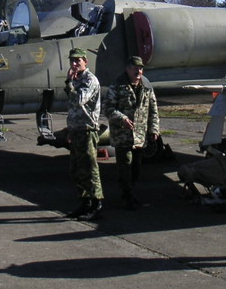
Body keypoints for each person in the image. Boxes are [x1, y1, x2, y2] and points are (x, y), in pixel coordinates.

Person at [104, 55, 160, 209]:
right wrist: (121, 118)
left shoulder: (146, 87)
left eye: (140, 68)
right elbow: (108, 108)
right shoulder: (117, 86)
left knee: (136, 167)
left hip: (139, 136)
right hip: (123, 136)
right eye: (135, 68)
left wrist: (154, 129)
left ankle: (131, 192)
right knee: (125, 167)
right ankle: (126, 195)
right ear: (127, 69)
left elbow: (153, 109)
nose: (138, 71)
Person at [64, 47, 104, 220]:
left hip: (87, 130)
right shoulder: (76, 79)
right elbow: (72, 107)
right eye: (72, 60)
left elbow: (79, 100)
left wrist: (70, 83)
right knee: (76, 170)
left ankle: (96, 204)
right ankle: (85, 202)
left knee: (89, 169)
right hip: (76, 130)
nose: (74, 64)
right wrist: (70, 129)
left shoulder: (90, 80)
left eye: (77, 60)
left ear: (85, 61)